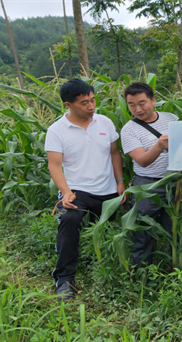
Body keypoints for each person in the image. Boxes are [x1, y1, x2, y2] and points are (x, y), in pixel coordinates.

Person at [45, 79, 126, 300]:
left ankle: (109, 269)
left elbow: (114, 153)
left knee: (109, 230)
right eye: (84, 103)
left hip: (108, 189)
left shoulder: (105, 123)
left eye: (93, 100)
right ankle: (64, 278)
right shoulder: (56, 130)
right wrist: (66, 192)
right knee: (70, 220)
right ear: (68, 105)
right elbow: (55, 165)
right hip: (77, 190)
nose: (91, 107)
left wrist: (120, 181)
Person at [120, 82, 178, 266]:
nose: (137, 109)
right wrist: (159, 145)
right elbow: (142, 160)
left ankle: (177, 270)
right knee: (143, 232)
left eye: (142, 103)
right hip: (147, 185)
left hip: (175, 182)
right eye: (131, 104)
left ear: (153, 100)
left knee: (176, 229)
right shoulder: (129, 130)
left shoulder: (172, 119)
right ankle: (141, 275)